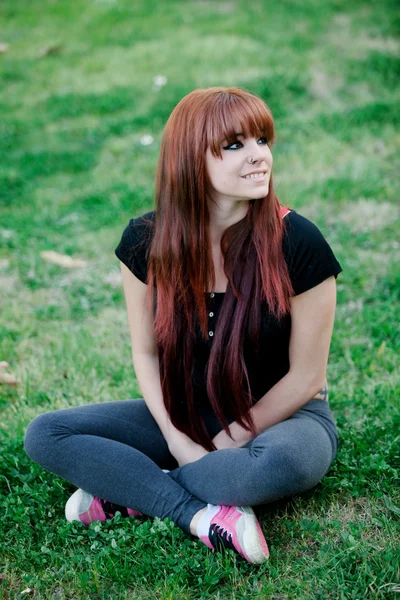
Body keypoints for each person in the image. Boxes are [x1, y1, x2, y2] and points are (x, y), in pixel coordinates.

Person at [24, 87, 343, 565]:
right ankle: (199, 515)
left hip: (282, 420)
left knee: (277, 465)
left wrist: (221, 445)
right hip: (183, 414)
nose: (259, 156)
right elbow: (146, 352)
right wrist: (177, 440)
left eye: (262, 140)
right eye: (235, 145)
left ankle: (128, 492)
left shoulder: (298, 242)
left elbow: (307, 377)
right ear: (190, 159)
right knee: (47, 435)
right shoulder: (145, 243)